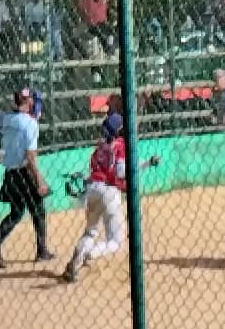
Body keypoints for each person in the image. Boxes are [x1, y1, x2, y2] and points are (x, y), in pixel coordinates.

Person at [62, 113, 160, 283]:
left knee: (90, 232)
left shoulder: (100, 147)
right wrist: (145, 165)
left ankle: (75, 262)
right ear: (121, 129)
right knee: (115, 241)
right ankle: (89, 253)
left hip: (92, 189)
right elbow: (121, 172)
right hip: (109, 192)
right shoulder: (121, 145)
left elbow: (96, 172)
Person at [0, 88, 53, 268]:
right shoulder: (30, 124)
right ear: (28, 102)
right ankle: (42, 250)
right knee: (38, 211)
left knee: (16, 213)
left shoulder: (8, 119)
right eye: (32, 100)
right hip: (24, 173)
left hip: (10, 173)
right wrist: (40, 180)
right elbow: (30, 157)